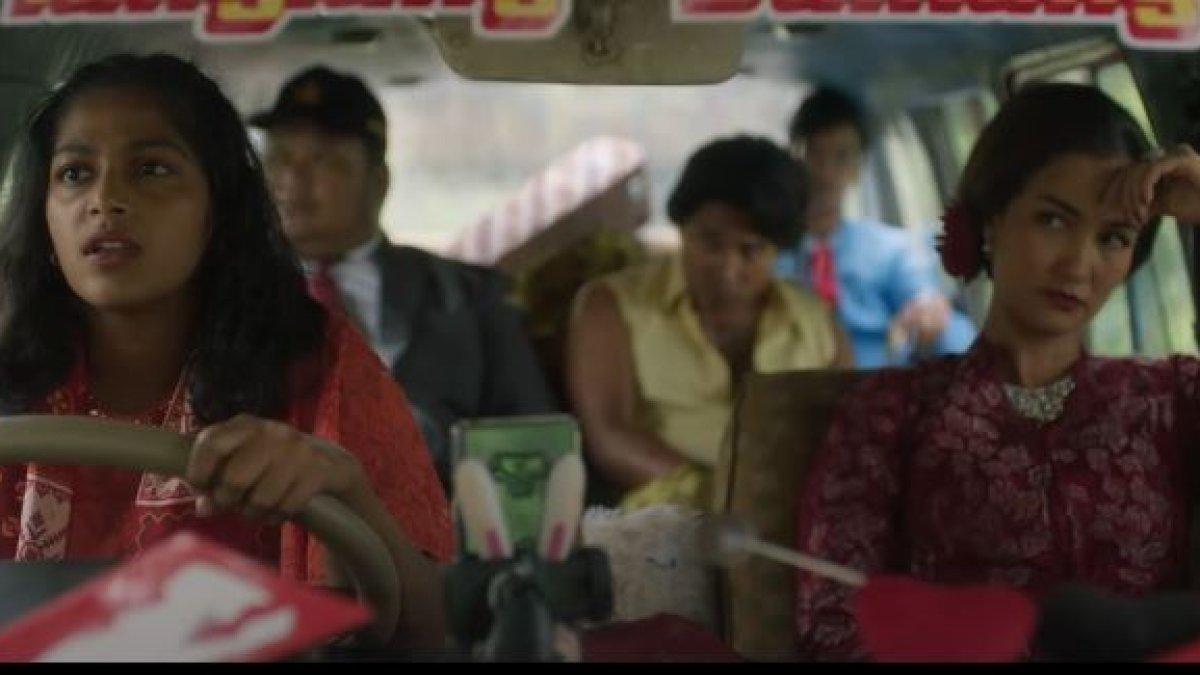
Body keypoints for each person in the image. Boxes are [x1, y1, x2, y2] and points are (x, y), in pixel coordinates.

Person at [0, 53, 452, 648]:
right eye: (75, 174)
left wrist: (347, 491)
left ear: (217, 210)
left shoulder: (317, 364)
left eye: (152, 169)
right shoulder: (8, 371)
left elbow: (432, 633)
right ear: (44, 218)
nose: (104, 199)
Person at [793, 83, 1200, 660]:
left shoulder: (1173, 399)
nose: (1078, 264)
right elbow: (834, 620)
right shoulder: (891, 412)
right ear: (989, 221)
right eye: (1053, 221)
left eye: (1113, 237)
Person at [250, 66, 556, 485]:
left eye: (321, 161)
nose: (291, 180)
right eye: (278, 158)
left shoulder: (469, 296)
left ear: (378, 182)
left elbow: (532, 439)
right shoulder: (217, 295)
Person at [567, 136, 851, 511]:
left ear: (778, 249)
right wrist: (716, 494)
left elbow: (850, 437)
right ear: (682, 228)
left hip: (798, 521)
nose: (727, 268)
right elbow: (608, 435)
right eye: (711, 244)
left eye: (750, 250)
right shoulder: (611, 308)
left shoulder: (818, 324)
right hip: (664, 524)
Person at [779, 86, 977, 368]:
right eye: (815, 154)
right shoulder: (766, 252)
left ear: (858, 166)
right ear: (795, 160)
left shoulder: (889, 250)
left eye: (841, 156)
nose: (826, 172)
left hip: (876, 381)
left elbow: (920, 295)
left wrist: (928, 310)